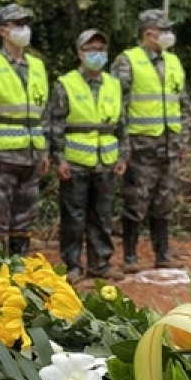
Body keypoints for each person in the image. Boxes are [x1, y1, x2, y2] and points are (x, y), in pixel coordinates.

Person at [111, 9, 191, 272]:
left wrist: (183, 140)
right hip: (141, 146)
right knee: (136, 202)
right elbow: (116, 107)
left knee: (165, 203)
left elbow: (184, 104)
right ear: (149, 33)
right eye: (164, 30)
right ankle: (131, 256)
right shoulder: (127, 61)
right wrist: (123, 147)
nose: (169, 35)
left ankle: (162, 253)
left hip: (169, 146)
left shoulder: (174, 62)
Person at [50, 29, 127, 283]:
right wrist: (58, 159)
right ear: (79, 53)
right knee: (73, 216)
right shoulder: (66, 84)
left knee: (102, 215)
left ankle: (100, 262)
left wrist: (123, 155)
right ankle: (72, 265)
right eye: (91, 49)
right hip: (75, 162)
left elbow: (122, 124)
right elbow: (56, 124)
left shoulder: (114, 85)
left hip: (105, 161)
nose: (97, 54)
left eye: (101, 50)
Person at [0, 3, 49, 256]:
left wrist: (45, 151)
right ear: (3, 31)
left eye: (27, 24)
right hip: (3, 156)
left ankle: (19, 267)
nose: (24, 30)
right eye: (18, 24)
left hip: (31, 153)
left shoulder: (37, 66)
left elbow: (43, 112)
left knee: (25, 216)